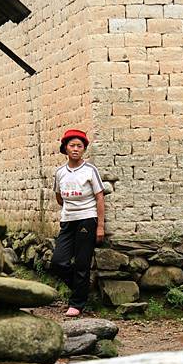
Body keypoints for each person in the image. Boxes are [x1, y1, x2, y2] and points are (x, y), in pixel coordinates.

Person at [51, 129, 105, 317]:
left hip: (87, 219)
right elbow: (59, 197)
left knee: (82, 263)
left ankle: (77, 303)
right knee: (58, 262)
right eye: (72, 146)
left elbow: (100, 198)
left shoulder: (90, 170)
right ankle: (81, 289)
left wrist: (100, 226)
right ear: (65, 148)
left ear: (84, 150)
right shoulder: (59, 173)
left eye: (79, 146)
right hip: (67, 220)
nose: (75, 149)